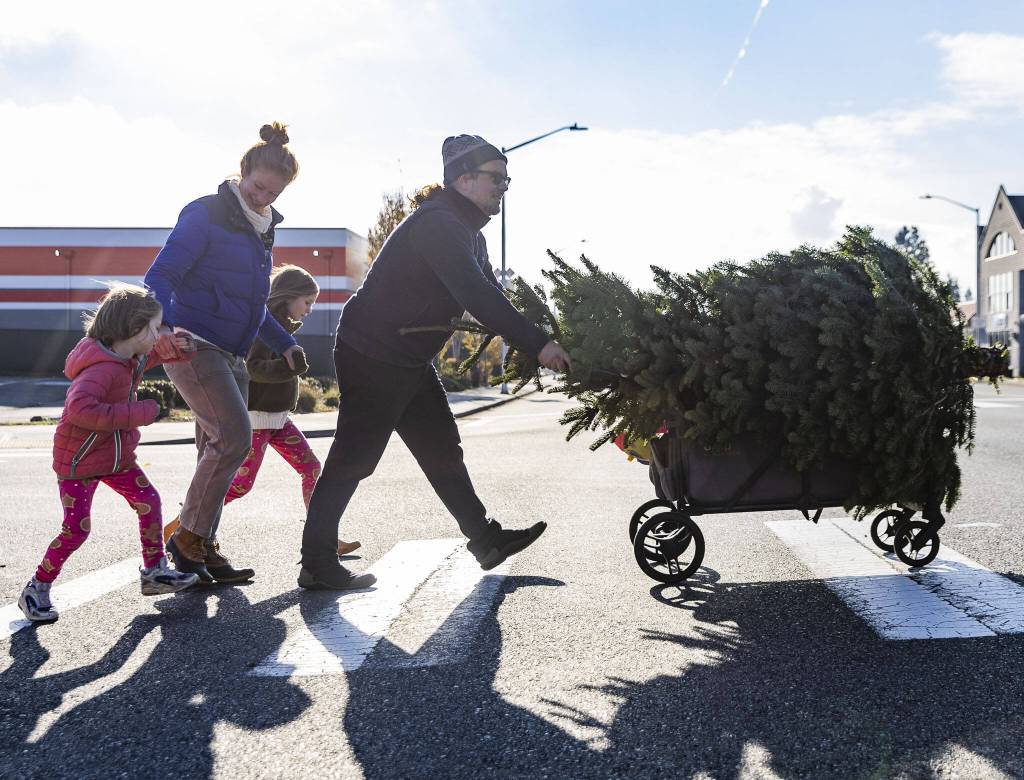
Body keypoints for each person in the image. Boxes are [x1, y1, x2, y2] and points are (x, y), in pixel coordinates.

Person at [298, 133, 572, 590]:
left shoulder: (466, 230)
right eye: (496, 179)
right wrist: (538, 345)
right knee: (354, 457)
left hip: (406, 356)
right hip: (373, 352)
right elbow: (477, 295)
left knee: (442, 446)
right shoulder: (439, 224)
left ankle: (485, 540)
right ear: (463, 180)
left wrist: (541, 333)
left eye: (507, 180)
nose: (503, 187)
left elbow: (491, 292)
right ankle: (317, 564)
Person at [145, 122, 305, 585]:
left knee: (211, 452)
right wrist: (165, 325)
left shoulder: (264, 229)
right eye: (257, 187)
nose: (262, 198)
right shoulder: (207, 213)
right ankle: (188, 537)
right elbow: (162, 273)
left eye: (272, 194)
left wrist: (286, 343)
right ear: (243, 173)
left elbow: (253, 306)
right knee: (235, 437)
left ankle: (201, 547)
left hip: (232, 353)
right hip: (193, 342)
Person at [18, 284, 199, 623]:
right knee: (77, 529)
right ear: (135, 330)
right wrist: (142, 412)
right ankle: (36, 588)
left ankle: (155, 571)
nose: (161, 332)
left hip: (117, 458)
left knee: (149, 501)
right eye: (157, 327)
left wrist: (178, 348)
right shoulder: (101, 369)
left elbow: (154, 355)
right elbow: (81, 410)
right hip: (80, 461)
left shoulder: (129, 356)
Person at [163, 265, 361, 556]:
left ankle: (323, 536)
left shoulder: (285, 327)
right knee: (240, 486)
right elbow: (251, 369)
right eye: (306, 302)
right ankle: (184, 524)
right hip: (256, 419)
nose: (309, 310)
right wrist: (286, 367)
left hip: (279, 420)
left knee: (311, 468)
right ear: (288, 296)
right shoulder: (262, 328)